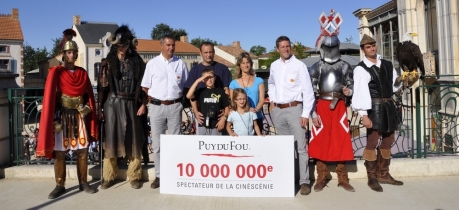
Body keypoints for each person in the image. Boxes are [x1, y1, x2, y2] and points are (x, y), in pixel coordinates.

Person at [36, 28, 98, 199]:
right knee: (60, 152)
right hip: (62, 115)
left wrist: (87, 108)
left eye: (74, 52)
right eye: (69, 52)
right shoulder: (56, 72)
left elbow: (88, 97)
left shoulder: (83, 73)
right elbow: (50, 96)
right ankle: (59, 184)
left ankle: (83, 182)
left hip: (78, 116)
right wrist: (53, 119)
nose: (72, 55)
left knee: (83, 150)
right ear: (64, 54)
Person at [351, 34, 404, 192]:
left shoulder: (387, 64)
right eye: (368, 46)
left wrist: (405, 81)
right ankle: (372, 177)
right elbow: (360, 92)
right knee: (372, 142)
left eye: (373, 45)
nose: (372, 48)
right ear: (363, 50)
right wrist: (364, 115)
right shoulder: (361, 69)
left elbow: (394, 86)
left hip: (389, 106)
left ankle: (384, 174)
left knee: (388, 140)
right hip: (373, 108)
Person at [308, 17, 355, 192]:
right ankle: (322, 175)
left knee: (341, 139)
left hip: (340, 106)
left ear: (337, 47)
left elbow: (351, 85)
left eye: (332, 47)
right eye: (327, 47)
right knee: (320, 140)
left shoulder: (345, 66)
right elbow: (311, 92)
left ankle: (342, 177)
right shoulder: (315, 67)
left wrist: (349, 91)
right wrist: (313, 113)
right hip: (321, 106)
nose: (329, 50)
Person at [97, 25, 147, 189]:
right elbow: (102, 88)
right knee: (111, 140)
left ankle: (134, 175)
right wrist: (100, 108)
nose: (123, 48)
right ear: (115, 44)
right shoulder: (107, 63)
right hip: (113, 103)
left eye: (126, 44)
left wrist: (143, 103)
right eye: (120, 44)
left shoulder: (137, 62)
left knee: (134, 139)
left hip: (132, 103)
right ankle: (109, 176)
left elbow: (144, 85)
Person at [268, 35, 315, 195]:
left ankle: (304, 182)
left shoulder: (299, 65)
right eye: (282, 47)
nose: (286, 49)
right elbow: (271, 84)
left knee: (301, 148)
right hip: (279, 111)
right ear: (277, 49)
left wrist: (305, 114)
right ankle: (289, 179)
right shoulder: (274, 65)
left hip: (295, 109)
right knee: (285, 148)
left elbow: (308, 91)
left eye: (288, 46)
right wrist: (273, 101)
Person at [141, 34, 189, 189]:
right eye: (168, 45)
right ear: (161, 46)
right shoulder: (152, 64)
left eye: (173, 45)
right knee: (158, 143)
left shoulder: (180, 64)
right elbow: (145, 86)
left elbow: (185, 85)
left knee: (176, 142)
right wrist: (155, 99)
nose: (171, 48)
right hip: (157, 107)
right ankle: (159, 176)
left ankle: (174, 174)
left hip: (175, 106)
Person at [184, 42, 232, 134]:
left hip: (218, 116)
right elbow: (192, 96)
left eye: (210, 52)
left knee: (219, 144)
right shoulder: (195, 70)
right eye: (206, 52)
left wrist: (225, 113)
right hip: (202, 114)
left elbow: (227, 91)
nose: (208, 55)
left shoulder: (223, 68)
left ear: (214, 52)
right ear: (200, 53)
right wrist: (196, 112)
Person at [229, 52, 265, 133]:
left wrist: (256, 110)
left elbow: (262, 100)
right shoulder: (233, 83)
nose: (246, 65)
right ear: (239, 65)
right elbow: (233, 102)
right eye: (243, 63)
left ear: (251, 64)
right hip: (240, 119)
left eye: (248, 62)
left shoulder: (259, 80)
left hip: (256, 117)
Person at [186, 69, 230, 135]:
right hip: (202, 124)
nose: (209, 80)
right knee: (202, 143)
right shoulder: (200, 91)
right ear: (203, 80)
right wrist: (198, 81)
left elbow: (227, 107)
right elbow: (189, 96)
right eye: (206, 78)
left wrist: (224, 119)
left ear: (215, 78)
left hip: (217, 124)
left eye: (211, 77)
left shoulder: (220, 91)